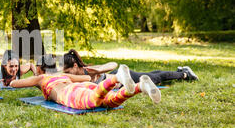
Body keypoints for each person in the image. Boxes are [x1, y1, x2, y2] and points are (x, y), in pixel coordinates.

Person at [9, 54, 161, 110]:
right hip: (82, 86)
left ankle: (117, 77)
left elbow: (13, 84)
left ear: (40, 69)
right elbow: (87, 79)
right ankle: (140, 86)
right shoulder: (62, 74)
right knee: (106, 101)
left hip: (68, 93)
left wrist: (34, 78)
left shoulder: (41, 78)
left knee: (93, 102)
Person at [63, 49, 198, 84]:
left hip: (125, 77)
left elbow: (113, 64)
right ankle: (179, 70)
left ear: (75, 65)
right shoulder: (76, 76)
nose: (69, 74)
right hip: (120, 78)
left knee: (156, 78)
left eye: (69, 70)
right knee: (151, 73)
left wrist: (99, 70)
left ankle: (185, 74)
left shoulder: (88, 71)